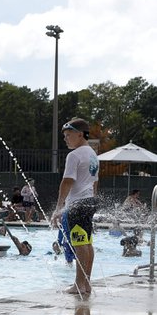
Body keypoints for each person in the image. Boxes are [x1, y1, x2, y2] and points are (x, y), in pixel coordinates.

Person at [51, 118, 100, 296]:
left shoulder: (75, 155)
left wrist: (58, 207)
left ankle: (79, 285)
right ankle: (86, 283)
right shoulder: (93, 155)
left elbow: (67, 181)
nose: (66, 139)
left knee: (80, 244)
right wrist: (92, 201)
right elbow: (95, 182)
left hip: (78, 204)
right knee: (87, 243)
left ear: (80, 134)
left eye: (68, 135)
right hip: (89, 202)